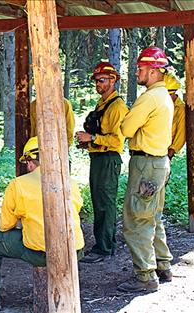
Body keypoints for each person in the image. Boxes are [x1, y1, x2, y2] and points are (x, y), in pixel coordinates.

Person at [0, 136, 85, 310]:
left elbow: (5, 226)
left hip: (42, 254)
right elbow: (76, 210)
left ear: (29, 161)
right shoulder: (70, 181)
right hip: (75, 250)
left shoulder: (18, 184)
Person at [118, 47, 174, 293]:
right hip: (159, 163)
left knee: (136, 220)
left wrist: (128, 121)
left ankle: (145, 277)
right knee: (153, 215)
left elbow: (127, 129)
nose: (137, 73)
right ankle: (163, 266)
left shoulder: (150, 97)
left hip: (146, 165)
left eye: (140, 69)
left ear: (153, 71)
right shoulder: (163, 96)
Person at [75, 62, 128, 263]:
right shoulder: (103, 103)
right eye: (96, 80)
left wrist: (93, 139)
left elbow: (116, 141)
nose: (98, 83)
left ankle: (105, 248)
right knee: (99, 202)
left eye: (102, 80)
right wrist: (87, 141)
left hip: (108, 160)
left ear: (113, 80)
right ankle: (102, 245)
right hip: (98, 158)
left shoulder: (117, 107)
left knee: (105, 203)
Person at [164, 72, 186, 159]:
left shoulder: (180, 109)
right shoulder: (160, 104)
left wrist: (169, 155)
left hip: (164, 153)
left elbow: (181, 134)